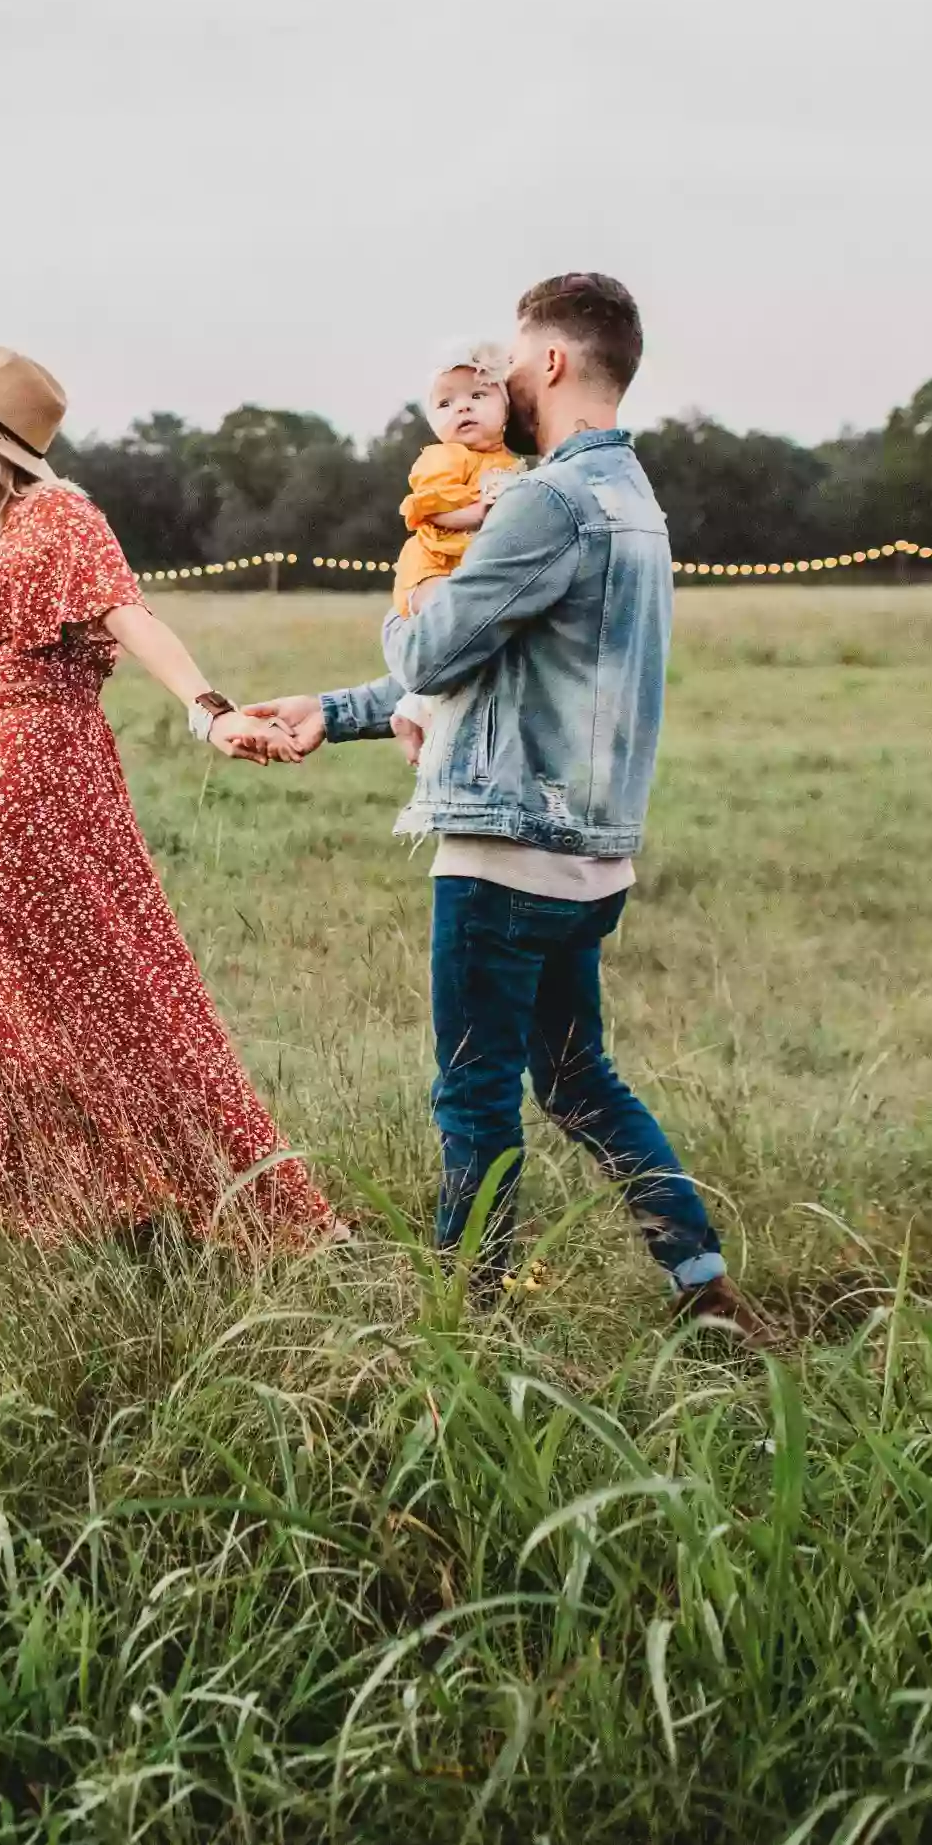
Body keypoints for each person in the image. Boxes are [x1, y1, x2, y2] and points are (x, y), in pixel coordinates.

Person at [245, 275, 760, 1330]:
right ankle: (700, 1286)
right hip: (589, 858)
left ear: (557, 364)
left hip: (502, 854)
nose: (505, 382)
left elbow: (436, 646)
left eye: (515, 363)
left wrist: (415, 599)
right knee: (577, 1084)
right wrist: (333, 711)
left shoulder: (545, 499)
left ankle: (465, 1325)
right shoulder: (635, 505)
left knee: (474, 1094)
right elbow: (500, 671)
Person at [0, 346, 340, 1248]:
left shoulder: (61, 516)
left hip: (40, 782)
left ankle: (176, 1192)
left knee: (111, 988)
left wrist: (210, 712)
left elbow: (130, 613)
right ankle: (0, 1204)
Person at [388, 342, 525, 799]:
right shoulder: (443, 458)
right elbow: (431, 508)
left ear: (506, 406)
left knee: (469, 644)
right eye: (446, 403)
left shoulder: (509, 464)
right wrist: (480, 512)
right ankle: (417, 715)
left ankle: (412, 709)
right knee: (451, 624)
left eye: (478, 396)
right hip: (433, 565)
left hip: (467, 570)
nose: (462, 408)